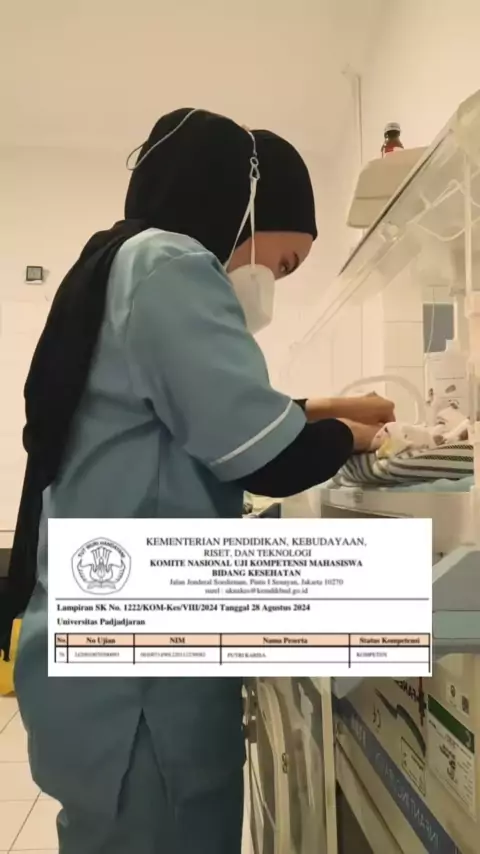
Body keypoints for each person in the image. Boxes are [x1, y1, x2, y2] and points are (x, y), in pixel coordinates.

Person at [1, 108, 394, 854]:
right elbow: (267, 457)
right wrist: (363, 439)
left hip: (102, 640)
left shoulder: (115, 264)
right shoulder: (172, 263)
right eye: (284, 265)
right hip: (139, 670)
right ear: (247, 212)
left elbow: (169, 413)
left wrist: (324, 408)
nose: (273, 286)